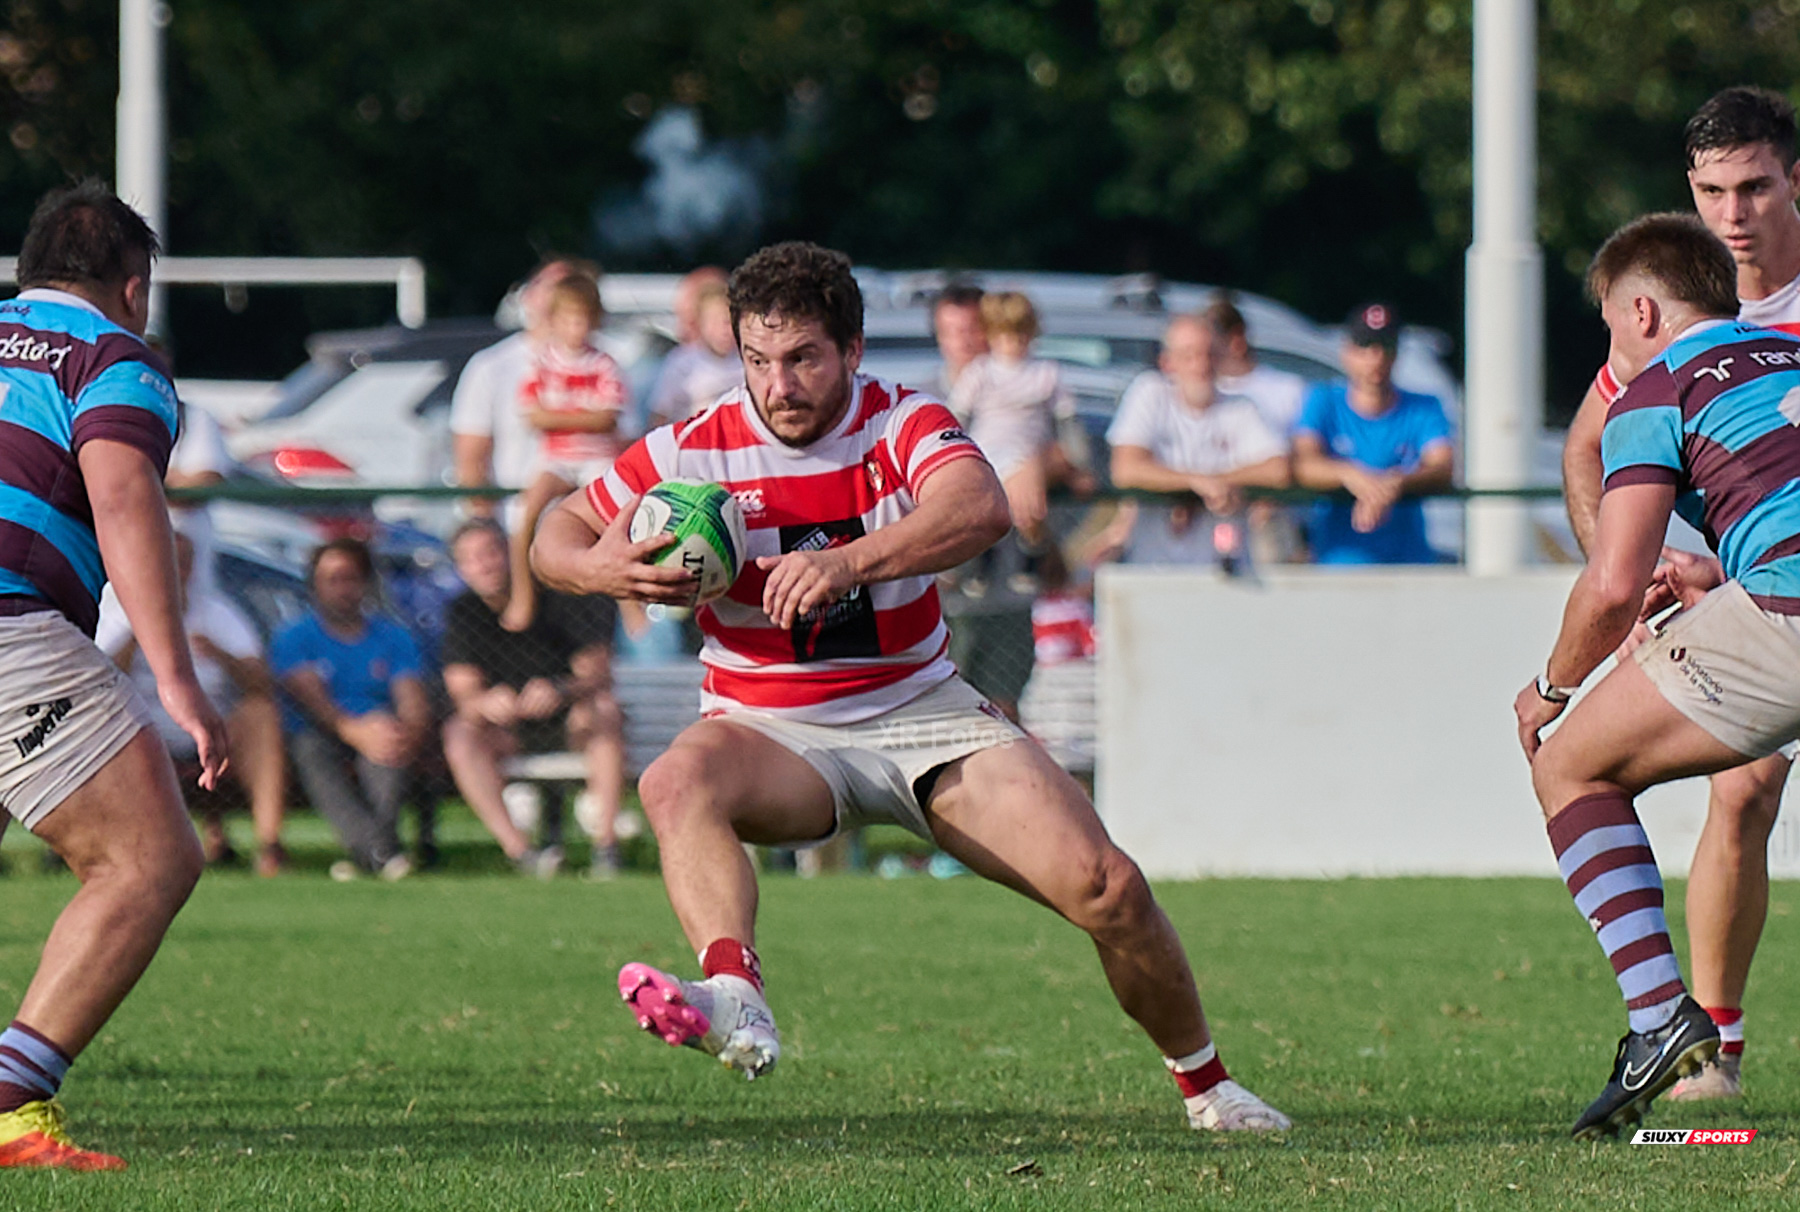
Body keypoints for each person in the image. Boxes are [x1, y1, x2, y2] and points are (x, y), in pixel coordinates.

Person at [532, 241, 1289, 1133]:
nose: (779, 385)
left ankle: (1210, 1089)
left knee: (1110, 888)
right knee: (672, 781)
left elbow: (980, 506)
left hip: (921, 711)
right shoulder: (695, 447)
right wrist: (598, 568)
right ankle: (735, 995)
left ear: (852, 350)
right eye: (758, 360)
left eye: (804, 358)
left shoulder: (902, 421)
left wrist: (847, 561)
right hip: (770, 728)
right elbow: (556, 531)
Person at [1513, 213, 1800, 1137]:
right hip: (1771, 588)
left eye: (1609, 327)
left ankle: (1660, 1022)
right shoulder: (1788, 358)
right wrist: (1722, 570)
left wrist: (1551, 689)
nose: (1614, 349)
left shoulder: (1657, 387)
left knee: (1570, 768)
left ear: (1640, 312)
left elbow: (1612, 587)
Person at [0, 183, 227, 1171]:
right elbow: (125, 496)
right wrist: (175, 678)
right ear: (134, 288)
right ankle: (8, 1106)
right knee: (148, 861)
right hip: (10, 618)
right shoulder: (112, 358)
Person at [440, 519, 626, 879]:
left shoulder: (562, 596)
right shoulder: (463, 612)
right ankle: (521, 852)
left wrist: (559, 689)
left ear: (511, 554)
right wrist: (488, 702)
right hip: (508, 731)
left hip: (571, 722)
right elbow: (463, 691)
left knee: (605, 710)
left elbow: (598, 674)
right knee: (459, 733)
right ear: (460, 568)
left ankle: (607, 846)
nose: (484, 565)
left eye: (490, 553)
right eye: (471, 558)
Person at [96, 531, 289, 877]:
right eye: (165, 561)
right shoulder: (115, 611)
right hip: (141, 727)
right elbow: (98, 685)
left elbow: (261, 684)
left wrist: (221, 655)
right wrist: (135, 637)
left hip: (211, 724)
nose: (175, 571)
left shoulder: (217, 613)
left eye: (183, 563)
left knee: (260, 714)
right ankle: (123, 851)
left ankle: (270, 846)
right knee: (106, 718)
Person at [271, 538, 430, 881]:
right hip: (320, 729)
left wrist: (405, 731)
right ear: (315, 585)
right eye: (332, 579)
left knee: (388, 745)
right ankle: (382, 851)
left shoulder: (394, 637)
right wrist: (354, 730)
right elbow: (311, 698)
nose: (342, 588)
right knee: (311, 751)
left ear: (365, 583)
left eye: (350, 578)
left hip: (378, 725)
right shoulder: (294, 637)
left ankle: (371, 854)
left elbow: (411, 696)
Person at [1107, 314, 1290, 565]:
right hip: (1154, 565)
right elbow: (1126, 470)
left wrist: (1216, 482)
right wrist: (1196, 483)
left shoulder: (1241, 407)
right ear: (1167, 362)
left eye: (1209, 354)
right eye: (1189, 355)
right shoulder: (1149, 392)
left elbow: (1278, 469)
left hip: (1223, 567)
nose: (1201, 365)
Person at [502, 272, 628, 633]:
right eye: (570, 319)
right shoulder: (542, 363)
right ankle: (522, 594)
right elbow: (534, 416)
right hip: (557, 459)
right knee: (525, 513)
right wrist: (584, 416)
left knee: (620, 517)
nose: (577, 328)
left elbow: (608, 418)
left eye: (583, 320)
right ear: (554, 320)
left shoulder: (604, 364)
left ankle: (630, 604)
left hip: (596, 458)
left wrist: (560, 416)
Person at [1291, 303, 1455, 564]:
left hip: (1408, 564)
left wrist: (1397, 482)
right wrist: (1351, 476)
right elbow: (1304, 463)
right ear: (1347, 352)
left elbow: (1442, 467)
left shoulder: (1424, 407)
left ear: (1396, 353)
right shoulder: (1323, 401)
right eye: (1365, 346)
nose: (1375, 359)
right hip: (1339, 563)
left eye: (1384, 347)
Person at [450, 257, 589, 512]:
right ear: (528, 296)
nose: (557, 297)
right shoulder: (491, 366)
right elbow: (470, 459)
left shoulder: (607, 363)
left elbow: (624, 441)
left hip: (583, 523)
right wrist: (485, 519)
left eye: (568, 287)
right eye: (550, 286)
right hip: (514, 519)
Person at [1206, 295, 1309, 437]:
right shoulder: (1199, 393)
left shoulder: (1290, 389)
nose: (1204, 357)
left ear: (1236, 340)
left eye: (1211, 348)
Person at [646, 275, 741, 427]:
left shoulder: (747, 361)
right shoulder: (682, 362)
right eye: (714, 322)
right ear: (700, 323)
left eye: (728, 322)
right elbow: (661, 413)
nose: (724, 331)